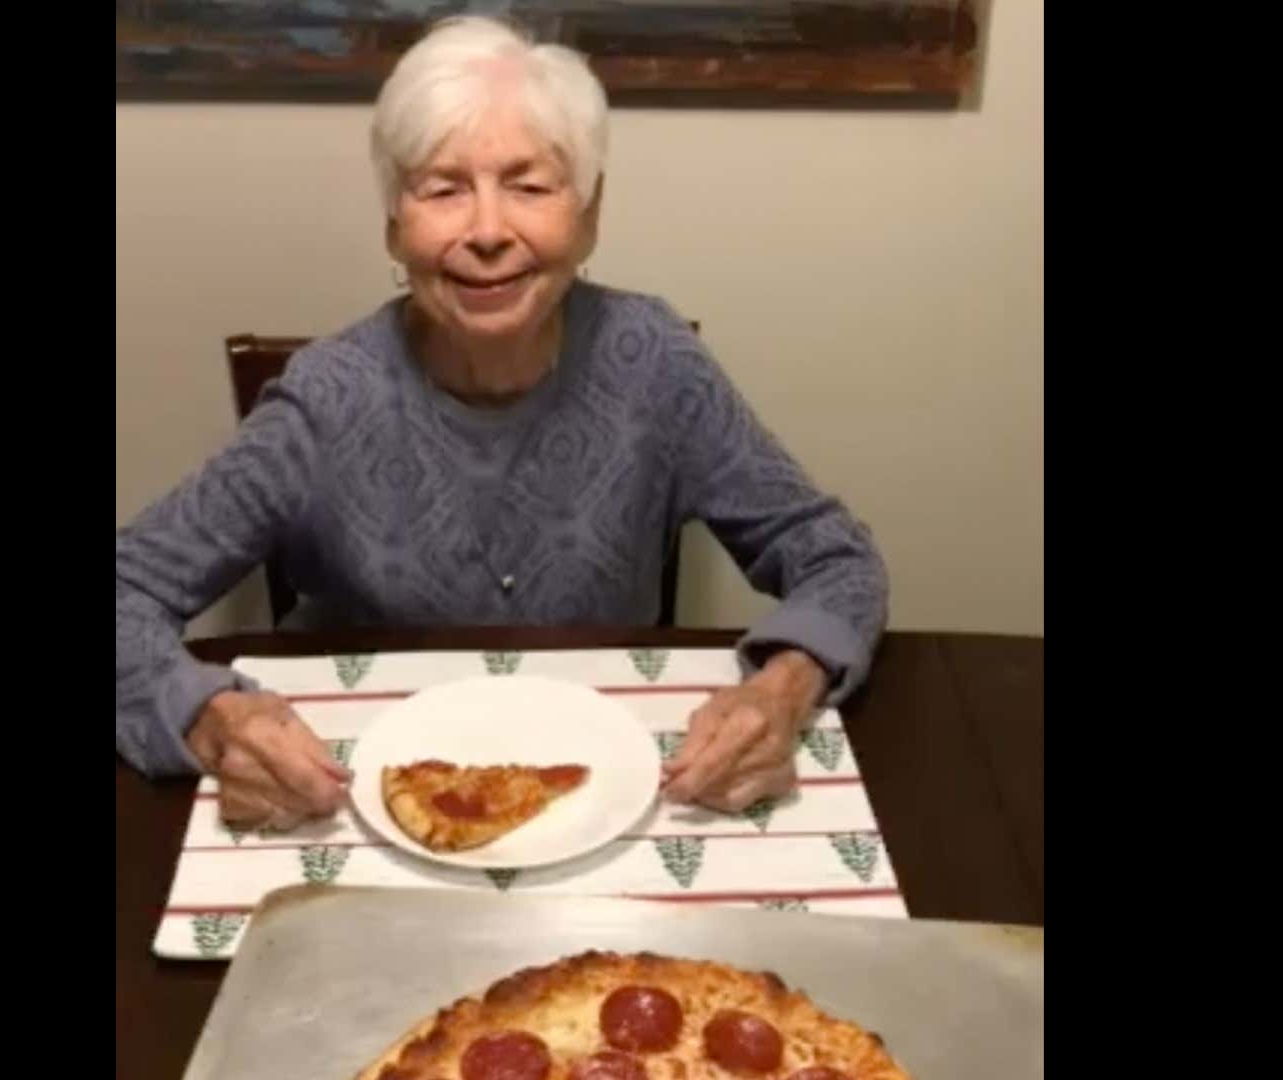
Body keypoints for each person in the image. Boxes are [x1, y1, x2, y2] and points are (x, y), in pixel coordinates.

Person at [115, 15, 888, 831]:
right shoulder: (326, 397)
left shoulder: (655, 362)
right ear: (394, 225)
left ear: (588, 214)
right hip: (361, 803)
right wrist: (206, 718)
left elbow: (838, 560)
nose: (487, 232)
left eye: (529, 186)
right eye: (443, 189)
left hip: (603, 797)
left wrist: (783, 687)